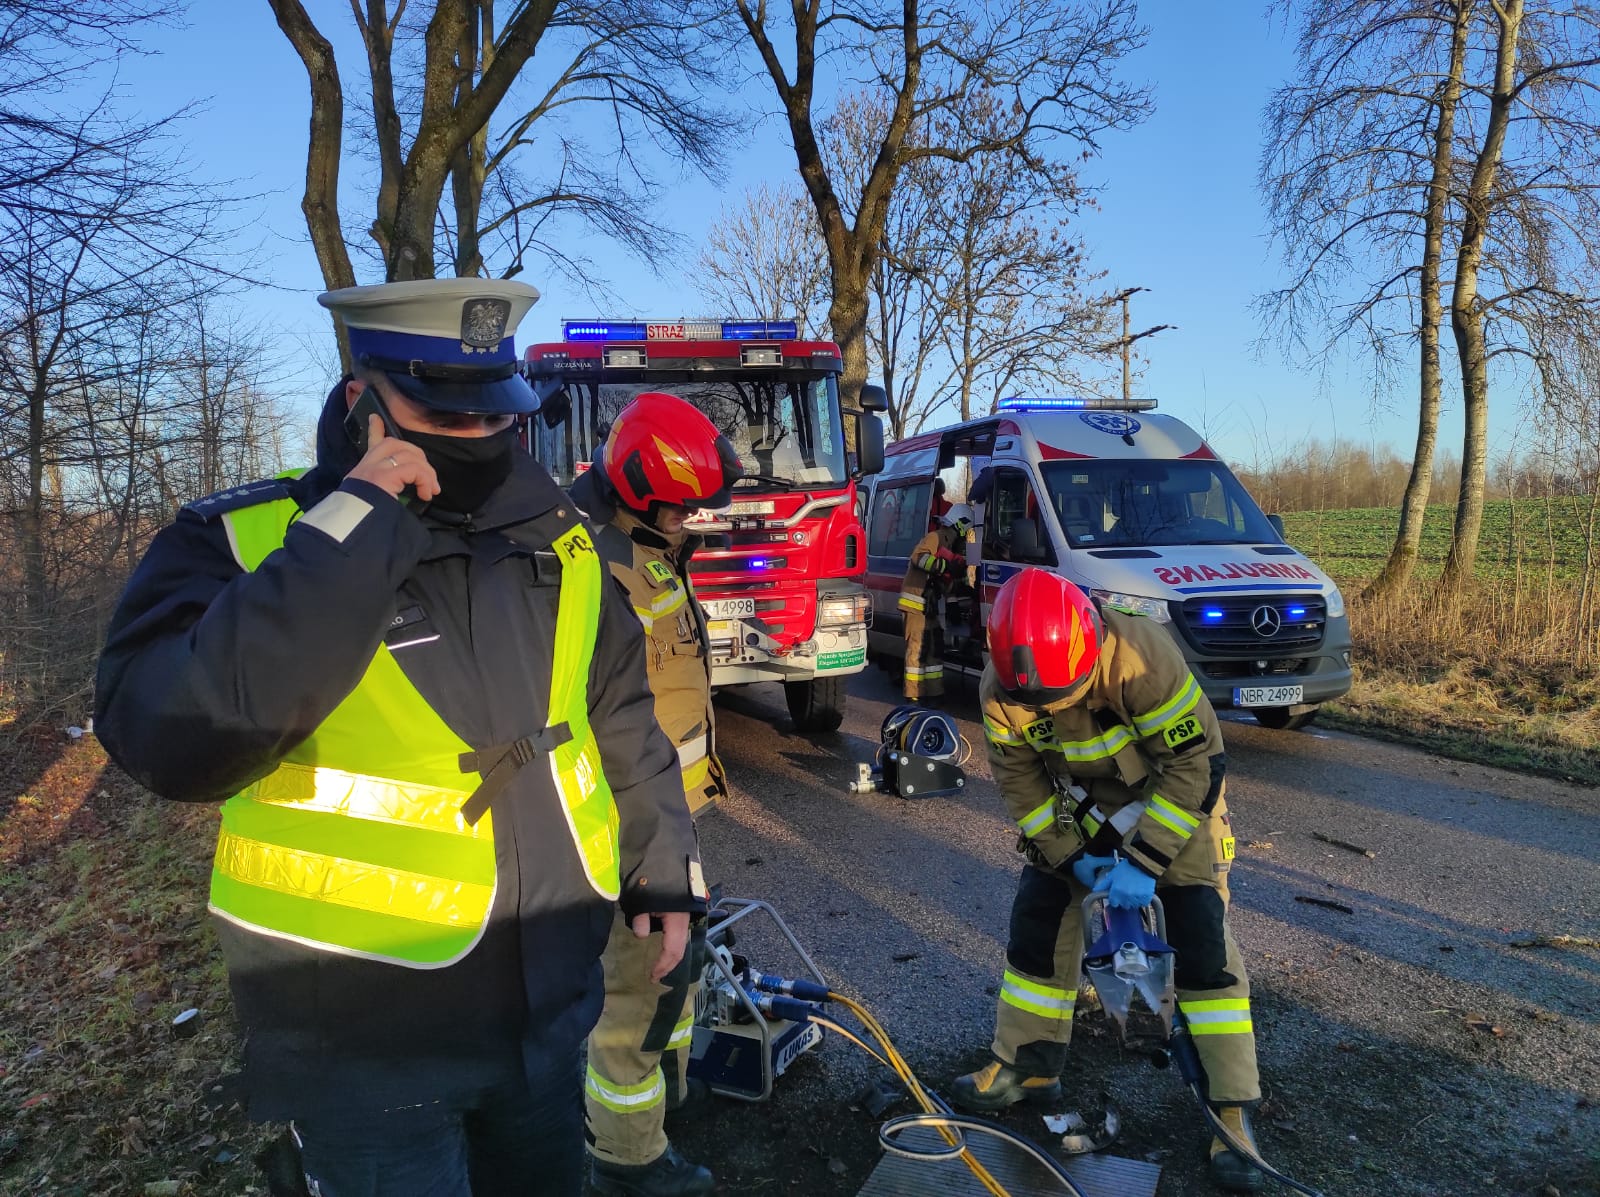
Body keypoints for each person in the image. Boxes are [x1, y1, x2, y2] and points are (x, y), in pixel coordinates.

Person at [93, 279, 707, 1197]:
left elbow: (619, 714)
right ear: (362, 401)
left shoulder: (565, 544)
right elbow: (171, 738)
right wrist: (351, 530)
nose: (472, 437)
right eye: (439, 412)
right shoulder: (245, 540)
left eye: (489, 412)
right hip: (359, 1036)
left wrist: (662, 863)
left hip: (544, 1013)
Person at [951, 568, 1264, 1194]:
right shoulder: (1002, 687)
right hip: (1080, 803)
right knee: (1038, 923)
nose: (1049, 708)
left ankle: (1231, 1108)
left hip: (1171, 798)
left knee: (1200, 936)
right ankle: (1029, 1065)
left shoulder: (1144, 660)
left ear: (1088, 641)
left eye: (1064, 693)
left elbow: (1192, 765)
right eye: (1038, 701)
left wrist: (1145, 864)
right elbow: (1023, 785)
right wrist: (1072, 859)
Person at [568, 393, 741, 1197]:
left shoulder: (646, 541)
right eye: (685, 506)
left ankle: (667, 1100)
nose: (693, 518)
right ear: (642, 490)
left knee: (682, 964)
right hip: (628, 821)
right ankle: (628, 1160)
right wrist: (648, 841)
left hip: (671, 815)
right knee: (639, 985)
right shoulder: (594, 563)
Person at [897, 504, 973, 702]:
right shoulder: (936, 537)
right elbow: (918, 558)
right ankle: (913, 695)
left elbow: (950, 581)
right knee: (917, 649)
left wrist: (957, 597)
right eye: (967, 529)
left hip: (931, 606)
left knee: (934, 648)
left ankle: (934, 692)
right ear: (959, 523)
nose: (967, 534)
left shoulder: (951, 546)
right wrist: (943, 565)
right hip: (915, 602)